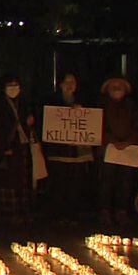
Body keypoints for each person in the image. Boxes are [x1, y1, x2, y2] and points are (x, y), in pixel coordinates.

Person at [40, 74, 94, 223]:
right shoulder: (52, 101)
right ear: (61, 84)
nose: (70, 85)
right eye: (67, 82)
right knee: (59, 183)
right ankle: (57, 214)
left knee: (75, 184)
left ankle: (72, 214)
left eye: (73, 82)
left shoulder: (84, 101)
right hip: (58, 151)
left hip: (77, 152)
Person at [0, 74, 34, 221]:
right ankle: (10, 213)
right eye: (10, 86)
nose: (13, 89)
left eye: (16, 85)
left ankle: (24, 211)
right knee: (8, 181)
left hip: (22, 145)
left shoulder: (24, 103)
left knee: (23, 180)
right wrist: (3, 146)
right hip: (7, 146)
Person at [98, 77, 138, 227]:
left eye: (119, 86)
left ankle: (122, 211)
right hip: (109, 149)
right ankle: (105, 211)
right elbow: (97, 125)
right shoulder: (101, 106)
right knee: (106, 181)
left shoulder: (133, 107)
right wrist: (111, 141)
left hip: (129, 150)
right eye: (113, 86)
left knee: (126, 182)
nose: (116, 88)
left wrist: (128, 142)